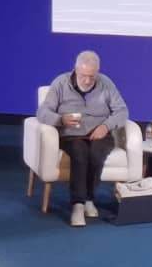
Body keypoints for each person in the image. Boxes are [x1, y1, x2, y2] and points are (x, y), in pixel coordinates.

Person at [37, 50, 129, 227]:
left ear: (97, 73)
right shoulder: (60, 83)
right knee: (80, 154)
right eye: (83, 75)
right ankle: (78, 205)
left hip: (99, 133)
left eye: (91, 76)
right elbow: (43, 112)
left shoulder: (106, 83)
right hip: (72, 135)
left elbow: (122, 111)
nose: (87, 81)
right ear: (75, 70)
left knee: (96, 154)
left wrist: (106, 126)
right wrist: (60, 119)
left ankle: (88, 199)